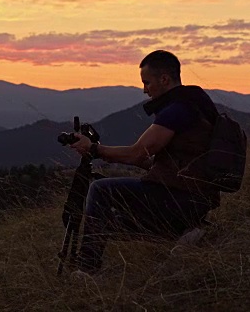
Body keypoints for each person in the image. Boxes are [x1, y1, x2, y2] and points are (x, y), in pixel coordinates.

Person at [68, 50, 220, 275]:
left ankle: (88, 269)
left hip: (181, 198)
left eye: (147, 83)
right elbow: (165, 163)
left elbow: (137, 153)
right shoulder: (194, 105)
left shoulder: (177, 111)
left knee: (100, 190)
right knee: (113, 218)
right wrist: (139, 162)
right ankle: (185, 233)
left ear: (164, 79)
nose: (144, 90)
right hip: (194, 197)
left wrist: (93, 149)